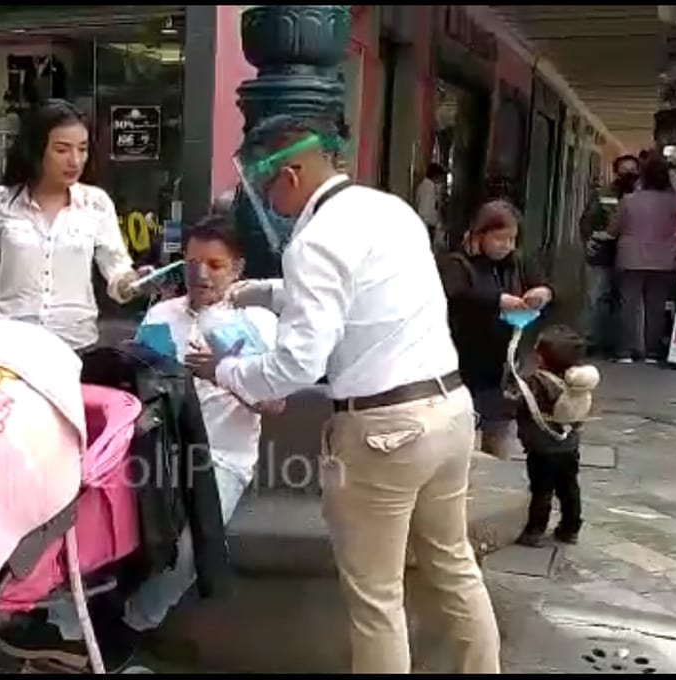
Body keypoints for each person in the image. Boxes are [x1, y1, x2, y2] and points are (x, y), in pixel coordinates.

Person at [187, 115, 500, 674]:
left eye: (265, 189)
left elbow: (295, 365)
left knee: (377, 599)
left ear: (289, 175)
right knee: (454, 567)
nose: (268, 204)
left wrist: (225, 370)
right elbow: (359, 296)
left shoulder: (313, 241)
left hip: (384, 432)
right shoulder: (390, 210)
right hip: (449, 411)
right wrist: (265, 292)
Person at [0, 216, 285, 671]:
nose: (201, 274)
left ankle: (128, 627)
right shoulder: (163, 314)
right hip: (154, 447)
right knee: (91, 513)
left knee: (189, 551)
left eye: (215, 265)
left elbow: (275, 404)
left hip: (220, 457)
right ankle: (59, 621)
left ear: (238, 269)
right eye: (192, 263)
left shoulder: (258, 322)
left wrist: (223, 373)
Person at [0, 99, 151, 353]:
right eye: (62, 150)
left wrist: (134, 283)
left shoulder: (96, 203)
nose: (75, 161)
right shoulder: (0, 202)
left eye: (82, 149)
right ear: (36, 149)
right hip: (9, 347)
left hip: (75, 346)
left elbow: (117, 273)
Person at [438, 200, 553, 460]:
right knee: (459, 450)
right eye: (500, 239)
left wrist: (542, 293)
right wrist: (500, 300)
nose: (507, 246)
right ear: (480, 234)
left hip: (502, 372)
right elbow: (460, 293)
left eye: (512, 239)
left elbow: (545, 285)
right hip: (462, 367)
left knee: (499, 444)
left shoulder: (517, 263)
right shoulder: (456, 262)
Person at [512, 325, 598, 547]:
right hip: (569, 447)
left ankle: (534, 530)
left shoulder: (536, 382)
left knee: (541, 490)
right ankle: (570, 528)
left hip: (541, 449)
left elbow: (516, 402)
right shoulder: (579, 384)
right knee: (569, 488)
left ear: (540, 357)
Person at [609, 154, 676, 364]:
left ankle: (625, 352)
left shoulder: (629, 200)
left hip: (631, 258)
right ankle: (652, 352)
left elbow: (614, 229)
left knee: (628, 305)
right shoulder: (674, 203)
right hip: (663, 259)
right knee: (656, 306)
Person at [579, 155, 639, 357]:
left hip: (629, 257)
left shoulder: (640, 196)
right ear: (616, 172)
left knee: (623, 301)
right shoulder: (602, 194)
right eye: (625, 170)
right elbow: (587, 221)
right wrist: (588, 240)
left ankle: (617, 342)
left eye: (633, 170)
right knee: (596, 298)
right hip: (603, 254)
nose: (629, 175)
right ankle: (591, 340)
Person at [416, 162, 446, 249]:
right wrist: (436, 223)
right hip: (426, 226)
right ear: (436, 176)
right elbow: (425, 213)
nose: (441, 181)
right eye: (440, 177)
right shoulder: (429, 188)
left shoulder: (423, 186)